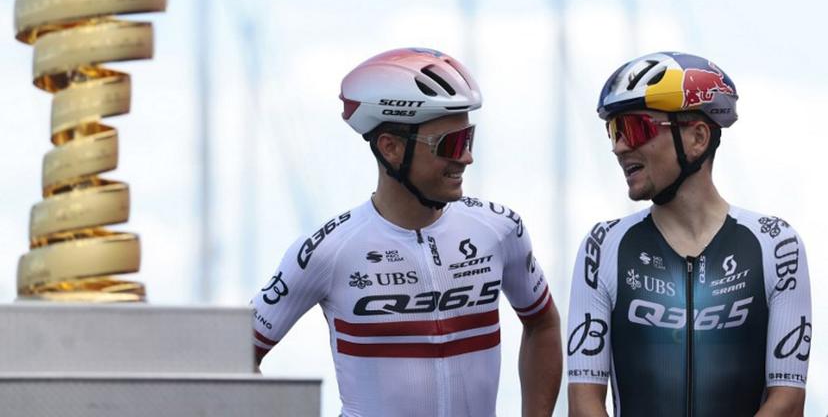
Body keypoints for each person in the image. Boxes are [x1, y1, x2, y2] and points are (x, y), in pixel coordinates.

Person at [252, 48, 562, 417]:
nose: (466, 157)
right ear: (391, 148)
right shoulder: (327, 251)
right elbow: (232, 358)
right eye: (451, 144)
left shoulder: (499, 229)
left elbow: (543, 324)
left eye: (469, 139)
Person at [566, 52, 812, 416]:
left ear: (697, 138)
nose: (619, 147)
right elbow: (584, 402)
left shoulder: (776, 244)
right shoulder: (603, 246)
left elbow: (788, 400)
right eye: (614, 131)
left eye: (635, 128)